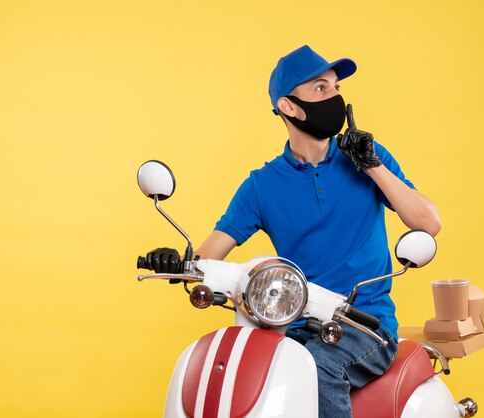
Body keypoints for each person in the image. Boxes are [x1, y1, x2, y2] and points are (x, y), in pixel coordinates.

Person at [146, 45, 441, 418]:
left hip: (363, 324)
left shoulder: (368, 157)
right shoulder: (262, 186)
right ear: (288, 106)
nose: (334, 96)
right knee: (239, 370)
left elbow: (428, 222)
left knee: (319, 368)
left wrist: (372, 166)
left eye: (335, 88)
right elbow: (209, 255)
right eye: (320, 88)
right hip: (290, 325)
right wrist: (178, 261)